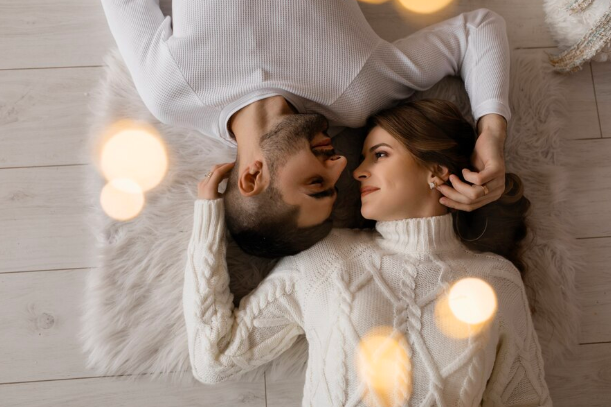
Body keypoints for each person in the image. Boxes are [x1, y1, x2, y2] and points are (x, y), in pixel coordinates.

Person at [182, 99, 553, 406]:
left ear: (437, 171)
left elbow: (525, 399)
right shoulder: (325, 259)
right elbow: (214, 358)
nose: (357, 171)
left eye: (379, 155)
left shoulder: (497, 281)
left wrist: (492, 134)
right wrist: (209, 216)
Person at [101, 1, 511, 256]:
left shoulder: (173, 92)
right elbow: (477, 31)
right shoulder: (357, 93)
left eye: (316, 183)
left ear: (252, 177)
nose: (341, 164)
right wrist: (491, 136)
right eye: (334, 185)